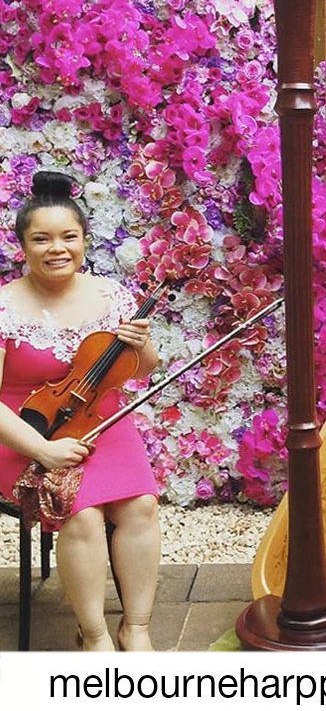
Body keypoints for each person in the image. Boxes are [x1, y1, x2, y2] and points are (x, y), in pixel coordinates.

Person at [0, 170, 160, 651]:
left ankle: (137, 627)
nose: (57, 248)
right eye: (41, 239)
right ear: (22, 247)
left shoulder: (110, 296)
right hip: (23, 428)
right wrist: (45, 452)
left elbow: (138, 370)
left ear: (85, 241)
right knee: (82, 513)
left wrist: (143, 344)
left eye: (69, 237)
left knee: (141, 506)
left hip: (100, 420)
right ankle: (93, 636)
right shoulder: (3, 306)